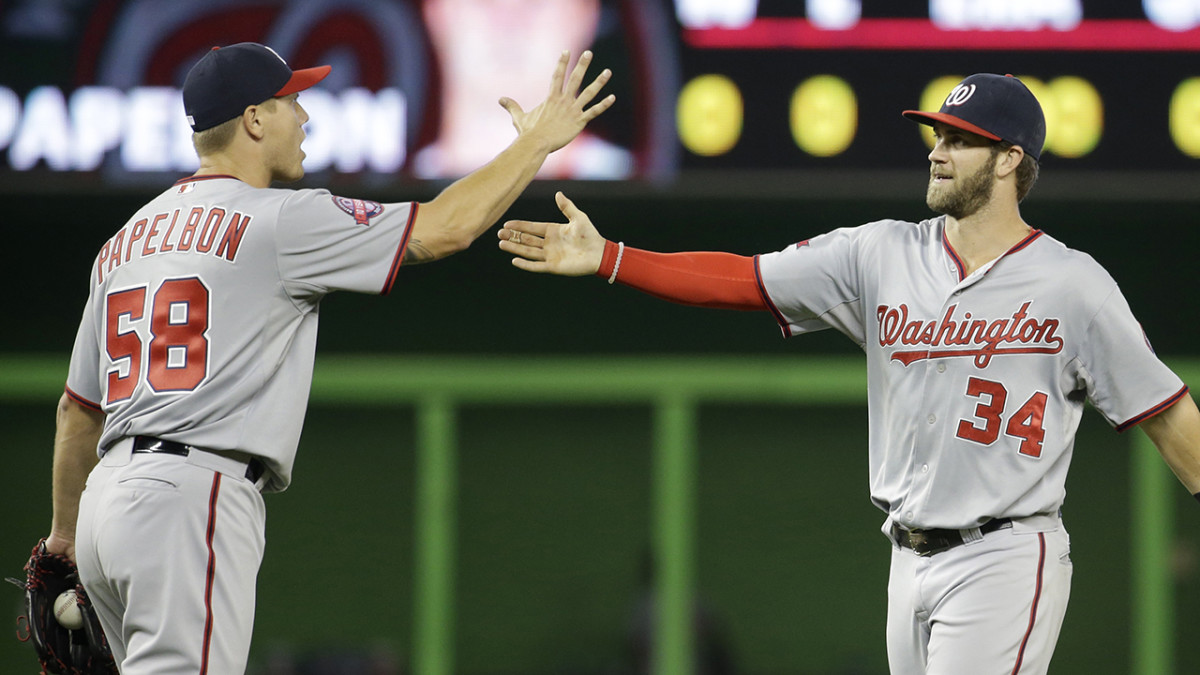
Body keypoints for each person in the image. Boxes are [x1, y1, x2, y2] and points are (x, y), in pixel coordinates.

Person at [497, 73, 1200, 674]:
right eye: (938, 136)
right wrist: (614, 257)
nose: (939, 151)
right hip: (907, 556)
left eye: (960, 139)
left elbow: (1166, 412)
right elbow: (744, 278)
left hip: (1006, 553)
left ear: (1011, 158)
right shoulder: (879, 255)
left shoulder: (1072, 284)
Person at [41, 41, 614, 673]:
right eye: (292, 103)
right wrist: (536, 143)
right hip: (188, 495)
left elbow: (77, 411)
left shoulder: (121, 244)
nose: (305, 118)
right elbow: (448, 226)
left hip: (102, 509)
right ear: (255, 120)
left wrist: (65, 540)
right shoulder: (281, 219)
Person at [413, 0, 633, 179]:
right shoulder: (389, 206)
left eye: (535, 3)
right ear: (437, 13)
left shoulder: (638, 196)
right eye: (484, 2)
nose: (508, 25)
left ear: (584, 15)